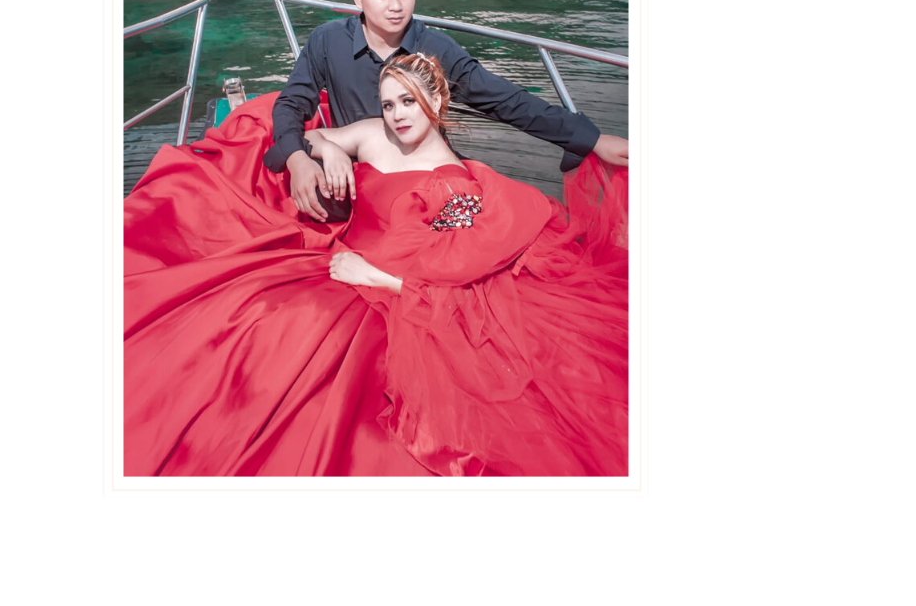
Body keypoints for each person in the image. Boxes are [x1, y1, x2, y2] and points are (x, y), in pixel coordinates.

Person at [124, 54, 628, 477]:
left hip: (383, 282)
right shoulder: (372, 133)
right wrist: (327, 151)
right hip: (343, 256)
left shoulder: (453, 184)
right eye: (389, 104)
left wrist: (377, 278)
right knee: (240, 304)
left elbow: (458, 278)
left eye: (409, 101)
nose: (398, 115)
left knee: (293, 338)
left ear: (437, 101)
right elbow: (318, 138)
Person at [264, 0, 629, 222]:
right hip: (357, 175)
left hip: (425, 175)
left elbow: (503, 99)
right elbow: (292, 103)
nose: (396, 6)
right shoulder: (328, 40)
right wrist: (299, 159)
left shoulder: (435, 46)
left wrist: (591, 139)